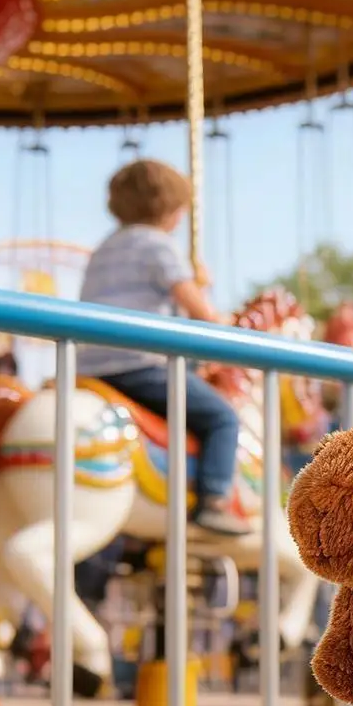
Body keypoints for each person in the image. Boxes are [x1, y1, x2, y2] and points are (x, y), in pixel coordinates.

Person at [77, 159, 250, 537]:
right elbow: (198, 311)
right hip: (138, 366)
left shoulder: (104, 249)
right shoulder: (159, 245)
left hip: (91, 370)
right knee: (222, 417)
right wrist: (219, 315)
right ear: (171, 211)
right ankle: (214, 500)